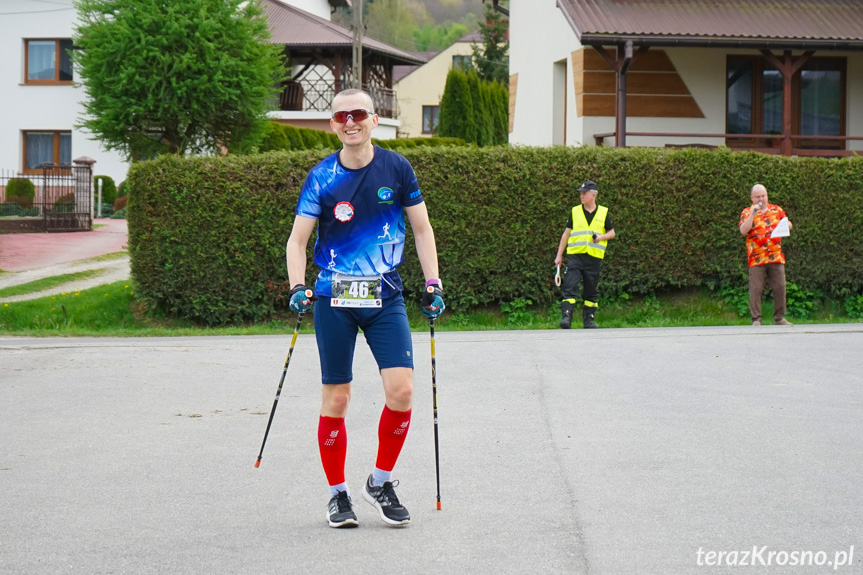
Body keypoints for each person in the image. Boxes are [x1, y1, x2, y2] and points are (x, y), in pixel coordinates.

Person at [285, 89, 444, 529]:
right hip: (334, 299)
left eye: (358, 114)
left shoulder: (398, 167)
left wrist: (433, 281)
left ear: (374, 120)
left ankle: (380, 481)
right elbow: (297, 241)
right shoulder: (321, 177)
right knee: (337, 397)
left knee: (404, 391)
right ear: (332, 125)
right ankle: (338, 495)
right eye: (341, 116)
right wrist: (297, 286)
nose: (350, 121)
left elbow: (423, 229)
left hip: (386, 296)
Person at [554, 180, 616, 329]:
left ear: (593, 195)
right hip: (576, 257)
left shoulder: (603, 212)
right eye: (581, 193)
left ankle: (589, 320)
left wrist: (600, 237)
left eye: (584, 193)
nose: (581, 196)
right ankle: (566, 318)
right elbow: (566, 234)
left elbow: (612, 233)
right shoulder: (575, 211)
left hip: (593, 258)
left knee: (591, 290)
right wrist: (559, 256)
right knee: (570, 285)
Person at [738, 183, 793, 326]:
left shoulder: (777, 209)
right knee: (756, 288)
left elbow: (789, 224)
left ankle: (779, 318)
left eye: (764, 195)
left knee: (780, 286)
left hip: (775, 255)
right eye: (758, 196)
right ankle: (756, 319)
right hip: (757, 257)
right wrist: (752, 214)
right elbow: (743, 230)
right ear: (752, 198)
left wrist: (787, 225)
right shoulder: (746, 212)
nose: (761, 198)